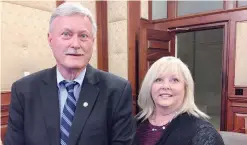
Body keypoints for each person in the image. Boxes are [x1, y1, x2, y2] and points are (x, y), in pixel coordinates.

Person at [4, 2, 136, 145]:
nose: (75, 44)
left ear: (93, 41)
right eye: (66, 34)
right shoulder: (24, 90)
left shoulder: (117, 91)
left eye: (83, 36)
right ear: (50, 39)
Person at [136, 56, 224, 145]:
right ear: (149, 86)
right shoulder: (134, 124)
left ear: (186, 88)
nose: (165, 86)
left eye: (175, 80)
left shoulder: (204, 134)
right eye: (158, 80)